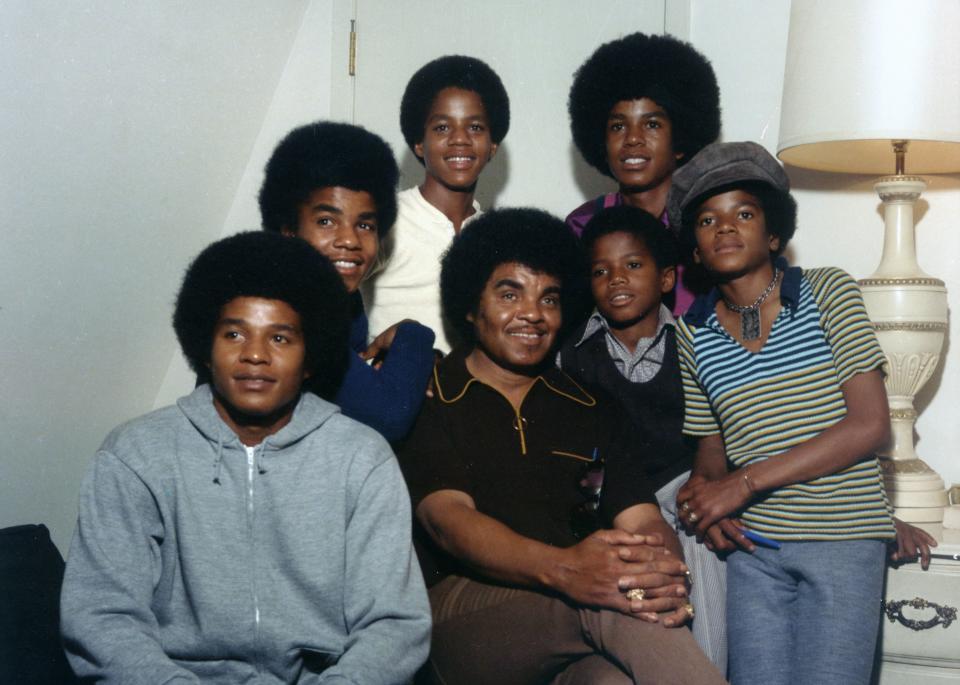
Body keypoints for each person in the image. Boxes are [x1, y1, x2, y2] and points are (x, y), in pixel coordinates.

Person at [61, 232, 431, 684]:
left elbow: (394, 625)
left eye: (280, 337)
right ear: (205, 347)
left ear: (310, 357)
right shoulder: (136, 454)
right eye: (234, 333)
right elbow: (101, 616)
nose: (254, 354)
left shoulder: (361, 458)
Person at [399, 208, 727, 685]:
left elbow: (643, 520)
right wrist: (567, 568)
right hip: (459, 616)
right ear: (471, 306)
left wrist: (659, 571)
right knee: (612, 598)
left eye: (549, 298)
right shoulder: (432, 392)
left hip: (578, 618)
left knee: (612, 674)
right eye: (510, 293)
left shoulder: (589, 407)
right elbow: (449, 523)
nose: (532, 313)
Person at [669, 141, 894, 685]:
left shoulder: (827, 291)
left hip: (843, 539)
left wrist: (742, 486)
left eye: (743, 213)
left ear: (773, 233)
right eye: (707, 219)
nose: (725, 227)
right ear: (695, 250)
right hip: (756, 553)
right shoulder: (690, 333)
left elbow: (870, 425)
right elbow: (711, 451)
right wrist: (706, 504)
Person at [556, 205, 727, 673]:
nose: (616, 279)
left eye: (633, 265)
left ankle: (707, 672)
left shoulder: (696, 343)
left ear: (668, 278)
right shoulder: (569, 355)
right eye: (600, 270)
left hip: (681, 490)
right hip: (612, 499)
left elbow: (722, 432)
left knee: (701, 549)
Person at [259, 121, 435, 442]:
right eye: (327, 221)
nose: (349, 240)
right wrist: (413, 334)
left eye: (365, 225)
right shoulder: (280, 312)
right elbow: (389, 416)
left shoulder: (340, 301)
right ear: (288, 230)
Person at [362, 55, 510, 352]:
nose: (460, 140)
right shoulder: (388, 218)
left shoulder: (496, 234)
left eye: (475, 128)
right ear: (419, 142)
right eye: (442, 128)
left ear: (493, 145)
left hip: (469, 393)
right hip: (397, 390)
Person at [566, 32, 721, 314]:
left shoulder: (708, 222)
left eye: (651, 124)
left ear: (680, 141)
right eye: (617, 126)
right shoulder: (583, 225)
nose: (632, 139)